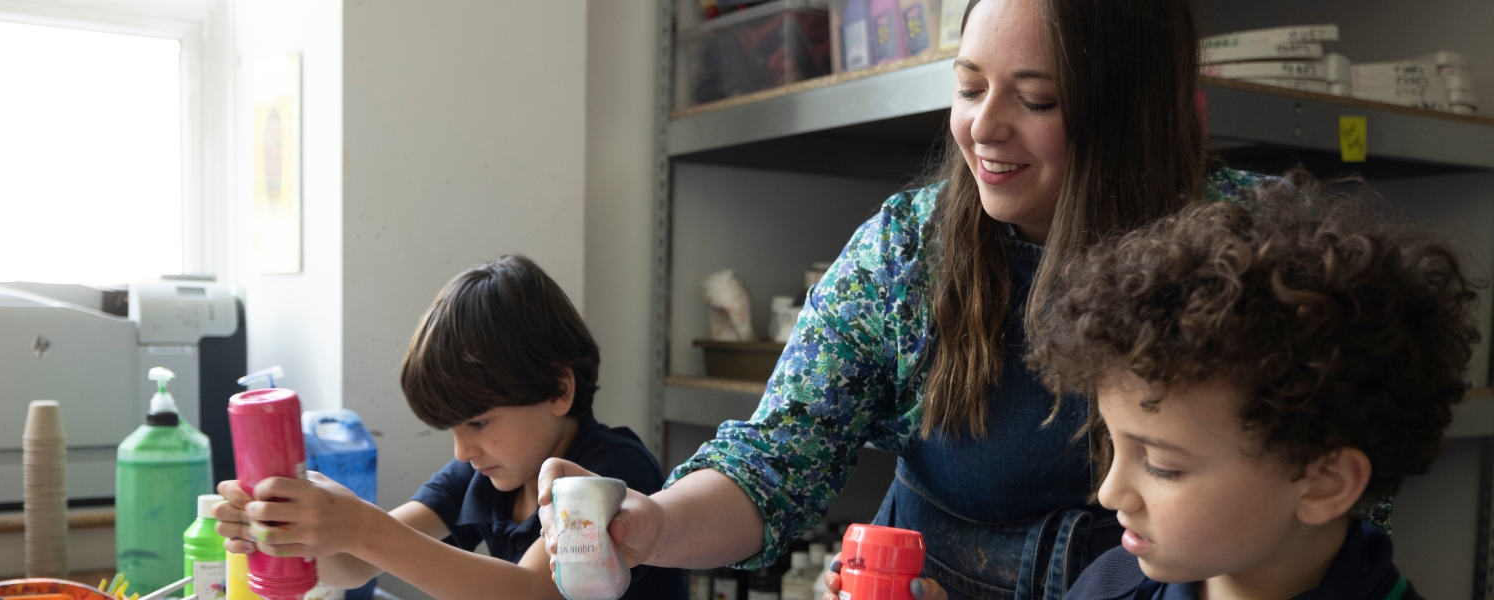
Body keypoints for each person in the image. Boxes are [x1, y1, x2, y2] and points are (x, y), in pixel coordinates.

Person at [537, 0, 1273, 598]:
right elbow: (778, 459)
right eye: (968, 86)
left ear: (1130, 112)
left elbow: (1311, 523)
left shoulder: (1253, 251)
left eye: (1037, 98)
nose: (983, 128)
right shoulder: (907, 250)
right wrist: (651, 524)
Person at [1026, 174, 1473, 599]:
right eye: (1112, 440)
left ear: (1324, 482)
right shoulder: (1109, 585)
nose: (1109, 493)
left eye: (1162, 465)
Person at [213, 255, 685, 600]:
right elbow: (351, 567)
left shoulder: (611, 476)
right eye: (452, 429)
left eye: (479, 422)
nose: (462, 451)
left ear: (559, 389)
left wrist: (360, 527)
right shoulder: (485, 472)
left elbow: (532, 592)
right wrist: (299, 529)